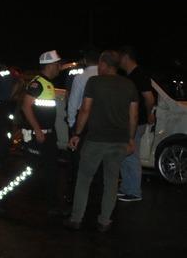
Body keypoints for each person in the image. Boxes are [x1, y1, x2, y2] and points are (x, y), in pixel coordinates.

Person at [65, 51, 139, 232]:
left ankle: (76, 218)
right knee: (111, 181)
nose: (99, 67)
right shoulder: (129, 85)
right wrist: (130, 139)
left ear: (105, 64)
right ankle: (104, 220)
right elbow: (134, 115)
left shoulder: (95, 82)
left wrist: (77, 133)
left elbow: (85, 110)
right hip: (119, 141)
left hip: (96, 140)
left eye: (100, 64)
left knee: (84, 179)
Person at [0, 50, 63, 216]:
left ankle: (52, 205)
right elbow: (26, 106)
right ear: (50, 65)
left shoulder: (48, 83)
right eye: (57, 64)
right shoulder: (37, 83)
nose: (59, 67)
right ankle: (2, 195)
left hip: (47, 135)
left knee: (51, 169)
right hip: (36, 135)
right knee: (29, 170)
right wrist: (38, 130)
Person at [117, 46, 155, 202]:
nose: (118, 61)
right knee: (126, 154)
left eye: (120, 57)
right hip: (130, 121)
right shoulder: (131, 75)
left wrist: (148, 114)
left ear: (126, 57)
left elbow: (149, 98)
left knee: (131, 154)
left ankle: (134, 191)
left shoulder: (139, 75)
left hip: (136, 122)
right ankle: (127, 187)